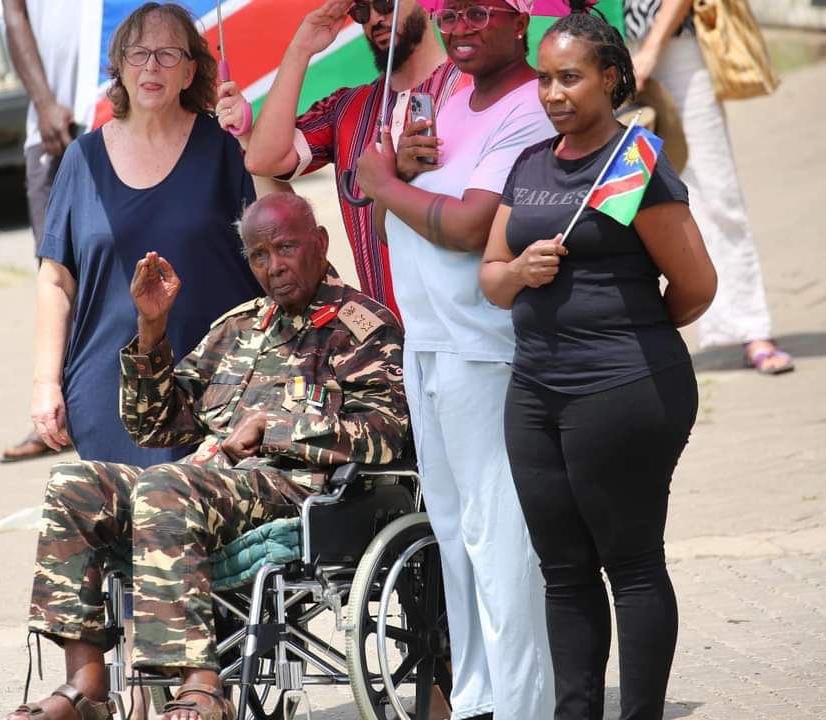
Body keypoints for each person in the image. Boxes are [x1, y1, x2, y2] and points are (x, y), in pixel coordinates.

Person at [5, 192, 410, 720]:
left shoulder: (362, 328)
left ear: (320, 243)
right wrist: (151, 329)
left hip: (298, 492)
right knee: (73, 485)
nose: (274, 267)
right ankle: (87, 686)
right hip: (207, 485)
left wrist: (276, 431)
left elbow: (388, 432)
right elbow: (155, 424)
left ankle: (200, 687)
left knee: (165, 485)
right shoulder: (239, 327)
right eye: (260, 256)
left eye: (286, 248)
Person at [479, 4, 717, 718]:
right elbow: (490, 279)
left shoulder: (634, 164)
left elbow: (697, 285)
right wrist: (520, 270)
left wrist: (629, 333)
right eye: (545, 80)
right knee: (562, 571)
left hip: (623, 390)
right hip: (534, 391)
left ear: (611, 78)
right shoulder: (526, 166)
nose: (553, 94)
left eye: (570, 78)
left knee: (632, 565)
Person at [354, 1, 556, 718]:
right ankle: (476, 699)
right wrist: (400, 175)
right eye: (447, 13)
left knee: (496, 536)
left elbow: (472, 227)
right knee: (452, 532)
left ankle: (524, 706)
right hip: (429, 343)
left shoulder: (532, 103)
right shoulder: (440, 98)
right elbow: (386, 223)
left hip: (485, 348)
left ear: (519, 19)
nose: (458, 27)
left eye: (478, 11)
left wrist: (382, 180)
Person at [26, 2, 263, 467]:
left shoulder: (225, 145)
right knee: (121, 530)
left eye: (168, 54)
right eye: (138, 54)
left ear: (190, 71)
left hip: (220, 387)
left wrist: (252, 141)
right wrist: (45, 383)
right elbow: (55, 281)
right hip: (107, 396)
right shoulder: (82, 159)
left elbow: (279, 232)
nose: (151, 66)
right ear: (119, 68)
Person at [241, 0, 469, 318]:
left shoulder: (473, 89)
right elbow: (263, 160)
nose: (374, 18)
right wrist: (301, 48)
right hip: (387, 340)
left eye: (385, 4)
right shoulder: (347, 107)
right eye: (361, 12)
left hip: (467, 332)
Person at [626, 0, 793, 374]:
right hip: (604, 44)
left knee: (716, 188)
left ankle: (752, 327)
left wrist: (651, 49)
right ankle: (634, 340)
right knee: (621, 194)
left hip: (677, 47)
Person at [0, 0, 83, 462]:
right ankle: (55, 410)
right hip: (55, 126)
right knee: (57, 275)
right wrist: (45, 103)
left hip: (129, 112)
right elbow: (15, 17)